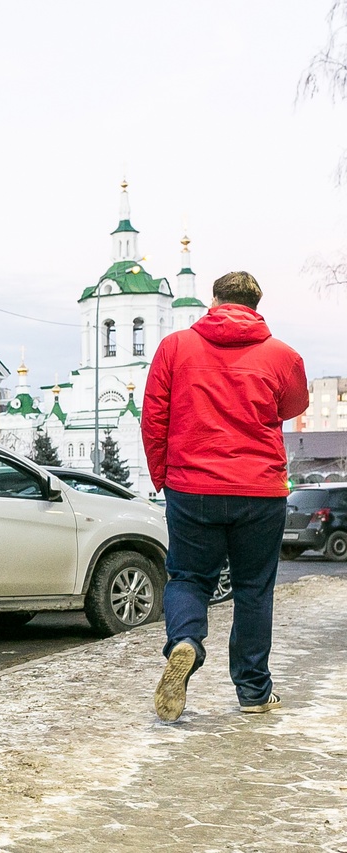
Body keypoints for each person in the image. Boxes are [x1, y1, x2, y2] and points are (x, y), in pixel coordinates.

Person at [141, 270, 308, 722]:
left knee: (189, 578)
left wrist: (164, 476)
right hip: (260, 489)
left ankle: (185, 643)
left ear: (214, 301)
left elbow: (154, 415)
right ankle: (254, 691)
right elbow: (293, 406)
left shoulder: (175, 347)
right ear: (256, 305)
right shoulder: (283, 355)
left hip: (192, 487)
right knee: (254, 589)